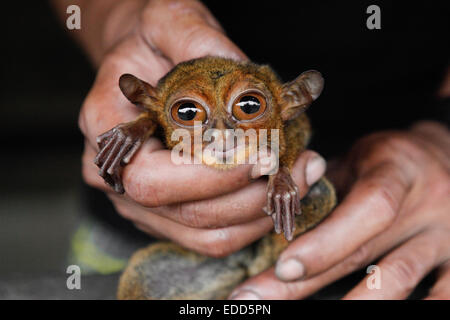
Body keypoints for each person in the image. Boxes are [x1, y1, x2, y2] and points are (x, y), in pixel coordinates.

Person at [52, 0, 450, 299]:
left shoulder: (284, 124)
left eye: (246, 107)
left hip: (386, 215)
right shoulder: (157, 115)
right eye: (190, 111)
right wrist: (122, 22)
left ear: (287, 103)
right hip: (147, 230)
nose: (220, 130)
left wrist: (443, 131)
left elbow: (287, 138)